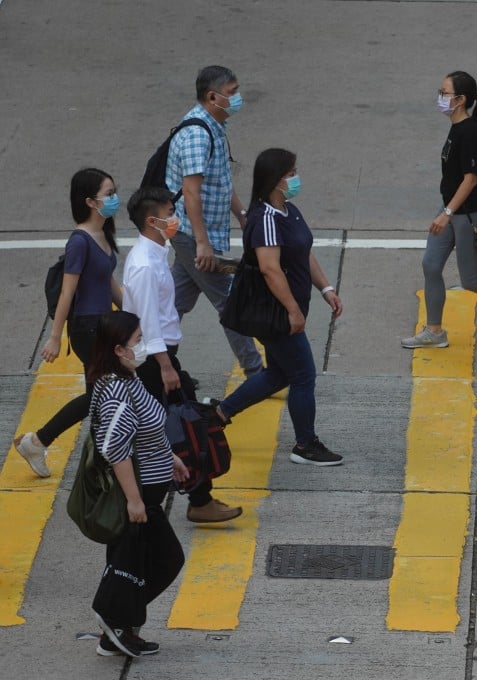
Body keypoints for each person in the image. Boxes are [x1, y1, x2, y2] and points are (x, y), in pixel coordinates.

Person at [213, 148, 344, 465]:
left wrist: (325, 288)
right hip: (275, 313)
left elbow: (303, 252)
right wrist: (293, 311)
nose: (296, 178)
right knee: (303, 376)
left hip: (286, 309)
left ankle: (217, 416)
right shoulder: (265, 219)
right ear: (274, 180)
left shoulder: (289, 210)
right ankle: (305, 445)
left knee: (278, 375)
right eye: (290, 173)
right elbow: (270, 269)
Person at [122, 187, 241, 522]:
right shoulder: (145, 265)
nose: (176, 218)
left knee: (178, 426)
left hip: (159, 357)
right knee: (182, 427)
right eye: (170, 211)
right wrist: (165, 366)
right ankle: (185, 501)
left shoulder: (156, 254)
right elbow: (147, 321)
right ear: (151, 220)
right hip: (152, 360)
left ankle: (198, 499)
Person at [87, 311, 188, 657]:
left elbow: (143, 429)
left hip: (148, 491)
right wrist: (134, 501)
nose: (142, 346)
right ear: (118, 349)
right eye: (137, 341)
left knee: (134, 563)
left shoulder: (129, 379)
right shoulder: (116, 388)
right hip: (139, 495)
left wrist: (168, 457)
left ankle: (118, 628)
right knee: (165, 558)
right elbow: (115, 446)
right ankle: (114, 620)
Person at [14, 168, 122, 477]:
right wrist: (55, 336)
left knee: (100, 395)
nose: (115, 199)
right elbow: (67, 291)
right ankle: (97, 458)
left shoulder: (102, 234)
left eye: (115, 191)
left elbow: (107, 282)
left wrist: (136, 315)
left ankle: (40, 442)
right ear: (90, 201)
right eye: (109, 194)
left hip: (103, 325)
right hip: (87, 329)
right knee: (105, 393)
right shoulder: (80, 241)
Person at [402, 71, 477, 349]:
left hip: (466, 215)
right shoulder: (456, 128)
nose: (440, 97)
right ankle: (434, 332)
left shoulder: (469, 133)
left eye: (445, 93)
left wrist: (447, 213)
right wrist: (445, 211)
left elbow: (471, 179)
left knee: (471, 280)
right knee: (431, 265)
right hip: (450, 210)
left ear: (461, 99)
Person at [166, 65, 262, 377]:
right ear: (212, 96)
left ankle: (151, 359)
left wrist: (242, 214)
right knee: (230, 302)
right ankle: (256, 370)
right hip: (194, 234)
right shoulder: (197, 135)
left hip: (196, 233)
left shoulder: (215, 126)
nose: (238, 98)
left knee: (174, 303)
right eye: (232, 92)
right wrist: (202, 244)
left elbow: (219, 180)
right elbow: (191, 193)